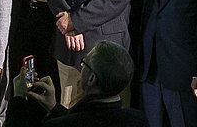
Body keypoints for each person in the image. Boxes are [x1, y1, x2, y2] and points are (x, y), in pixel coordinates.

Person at [8, 40, 144, 127]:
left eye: (84, 63)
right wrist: (54, 108)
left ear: (91, 79)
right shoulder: (139, 121)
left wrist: (18, 98)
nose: (81, 68)